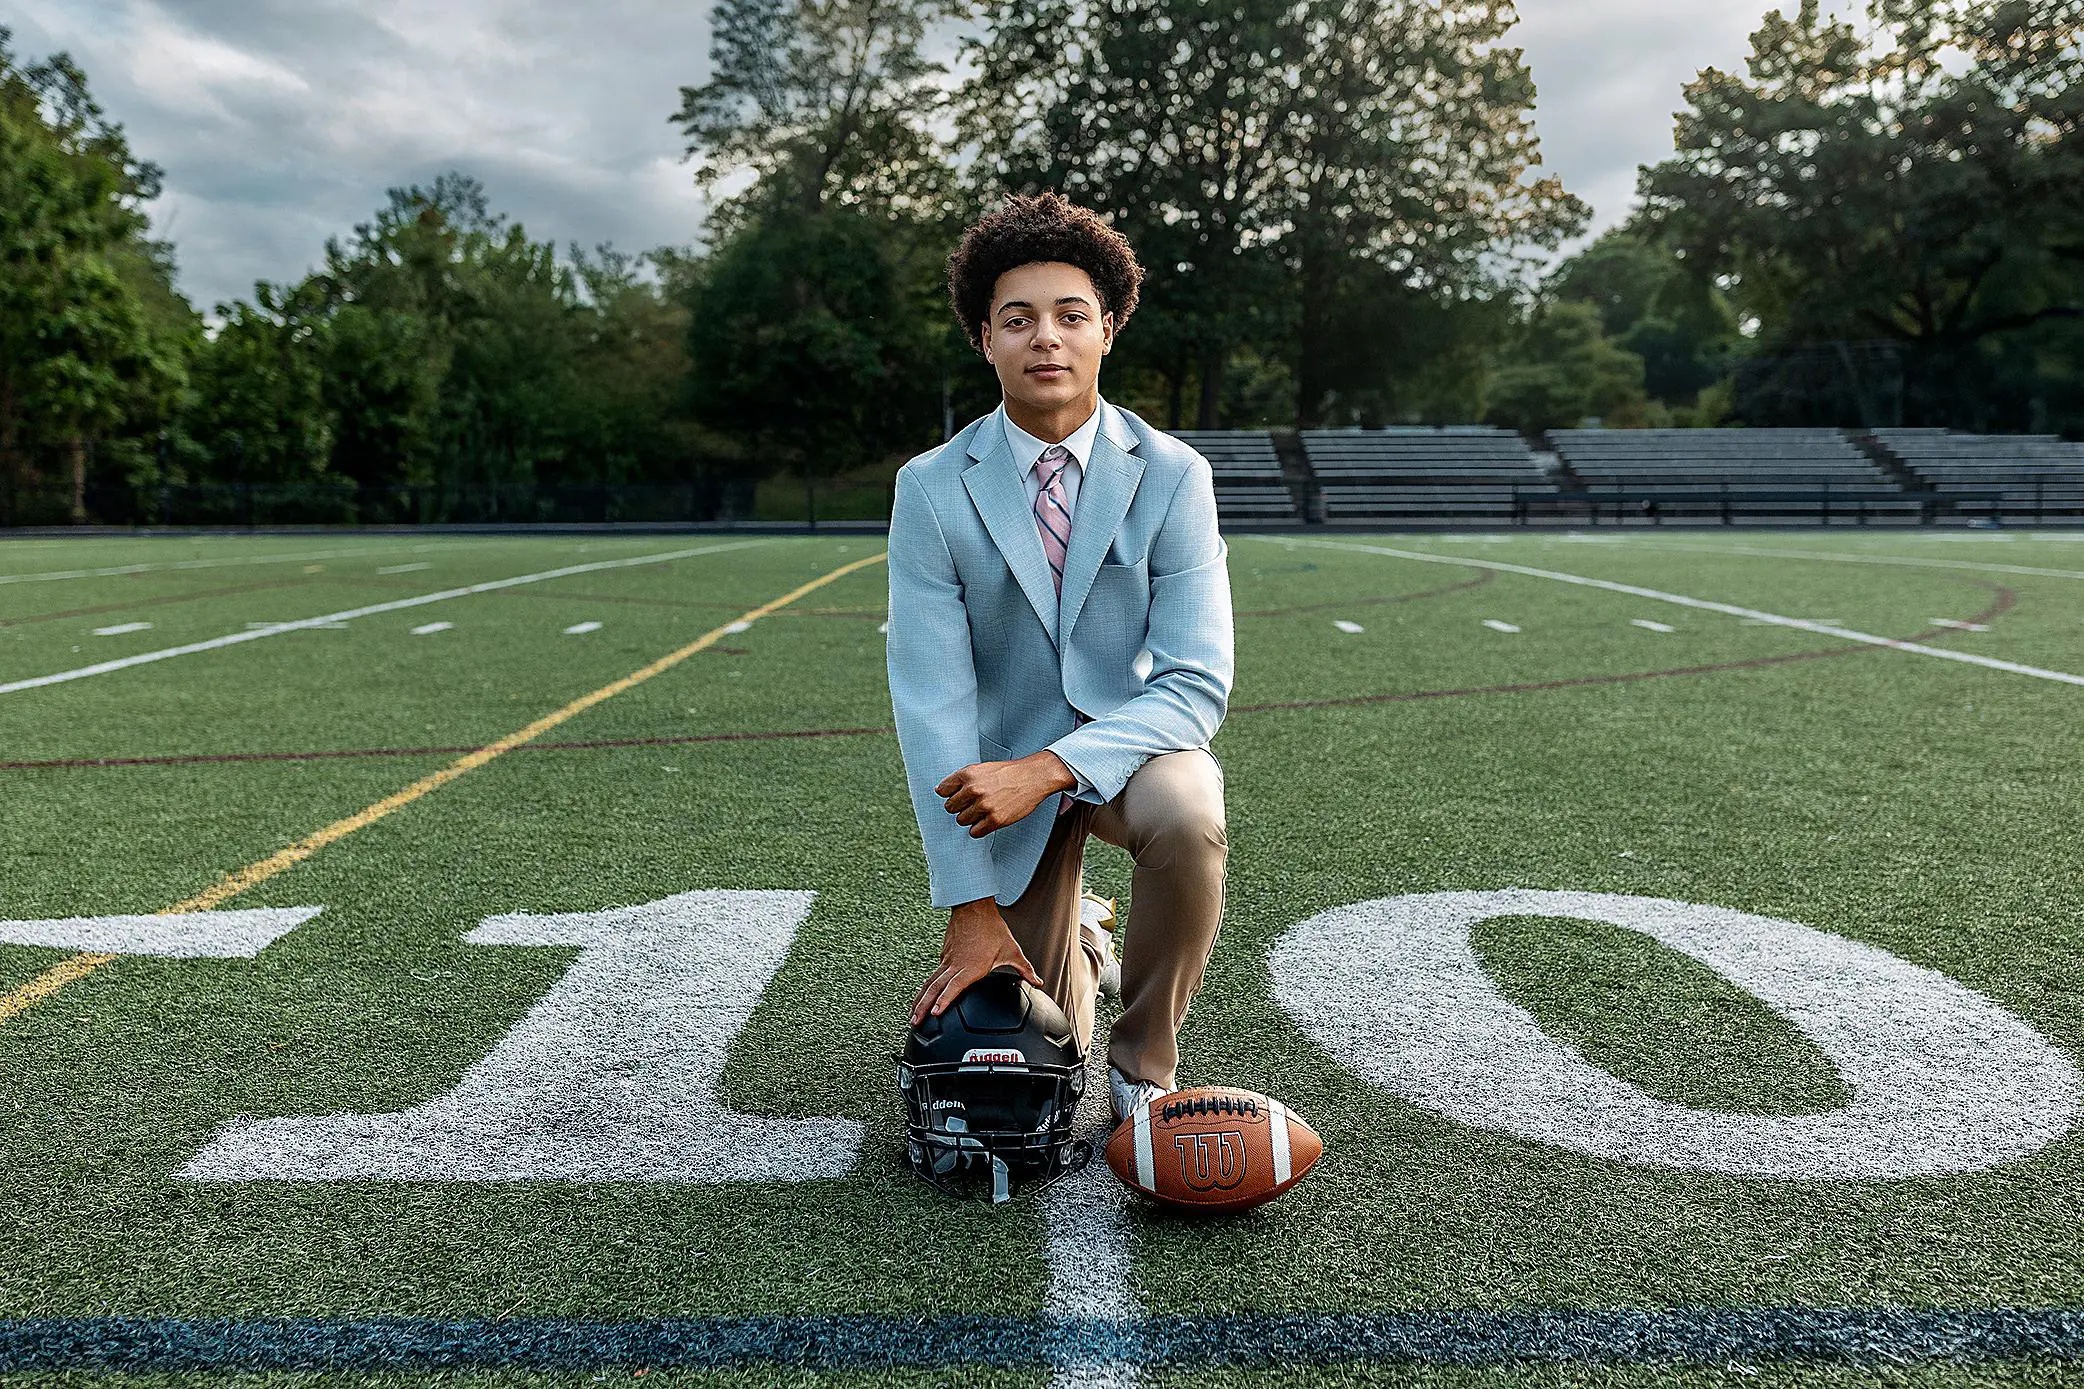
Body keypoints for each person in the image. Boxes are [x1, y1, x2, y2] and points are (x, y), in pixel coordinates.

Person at [886, 189, 1235, 1132]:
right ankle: (1079, 938)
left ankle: (1145, 1064)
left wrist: (1058, 768)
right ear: (985, 342)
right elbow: (933, 701)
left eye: (1072, 315)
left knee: (1190, 814)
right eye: (1018, 319)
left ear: (1108, 331)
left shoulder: (1173, 474)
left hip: (1126, 752)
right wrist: (968, 905)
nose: (1047, 337)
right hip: (995, 772)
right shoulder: (929, 489)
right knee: (1028, 1040)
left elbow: (1196, 681)